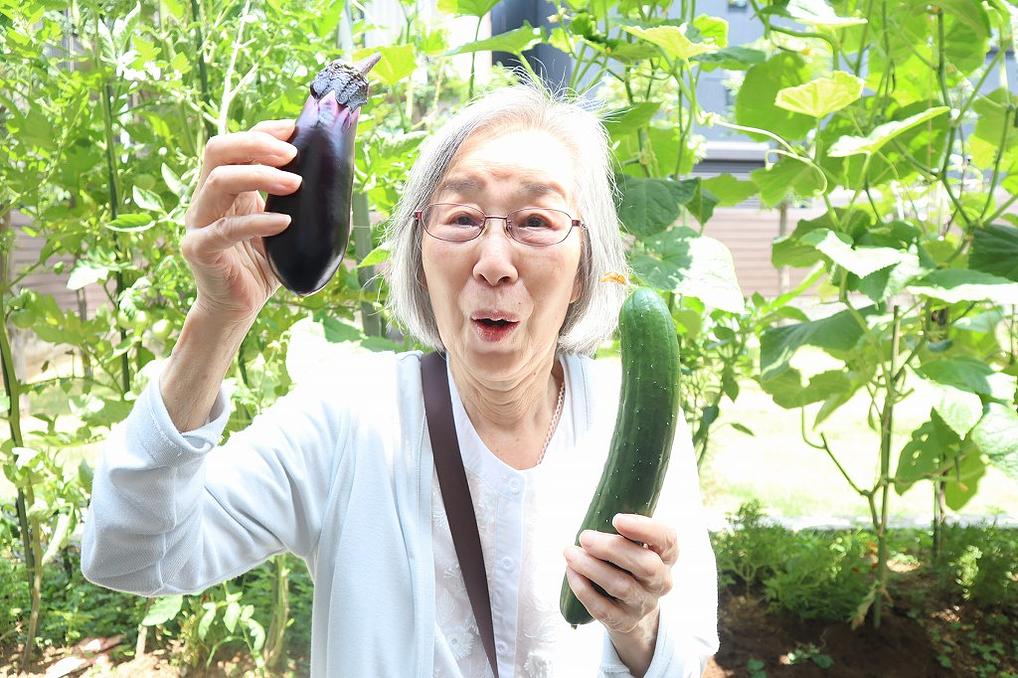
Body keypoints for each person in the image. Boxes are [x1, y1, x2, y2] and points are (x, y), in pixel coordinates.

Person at [81, 80, 719, 677]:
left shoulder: (628, 417)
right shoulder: (349, 421)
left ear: (585, 267)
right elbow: (132, 554)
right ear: (418, 250)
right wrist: (218, 317)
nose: (494, 263)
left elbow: (688, 651)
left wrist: (640, 627)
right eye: (464, 218)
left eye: (536, 222)